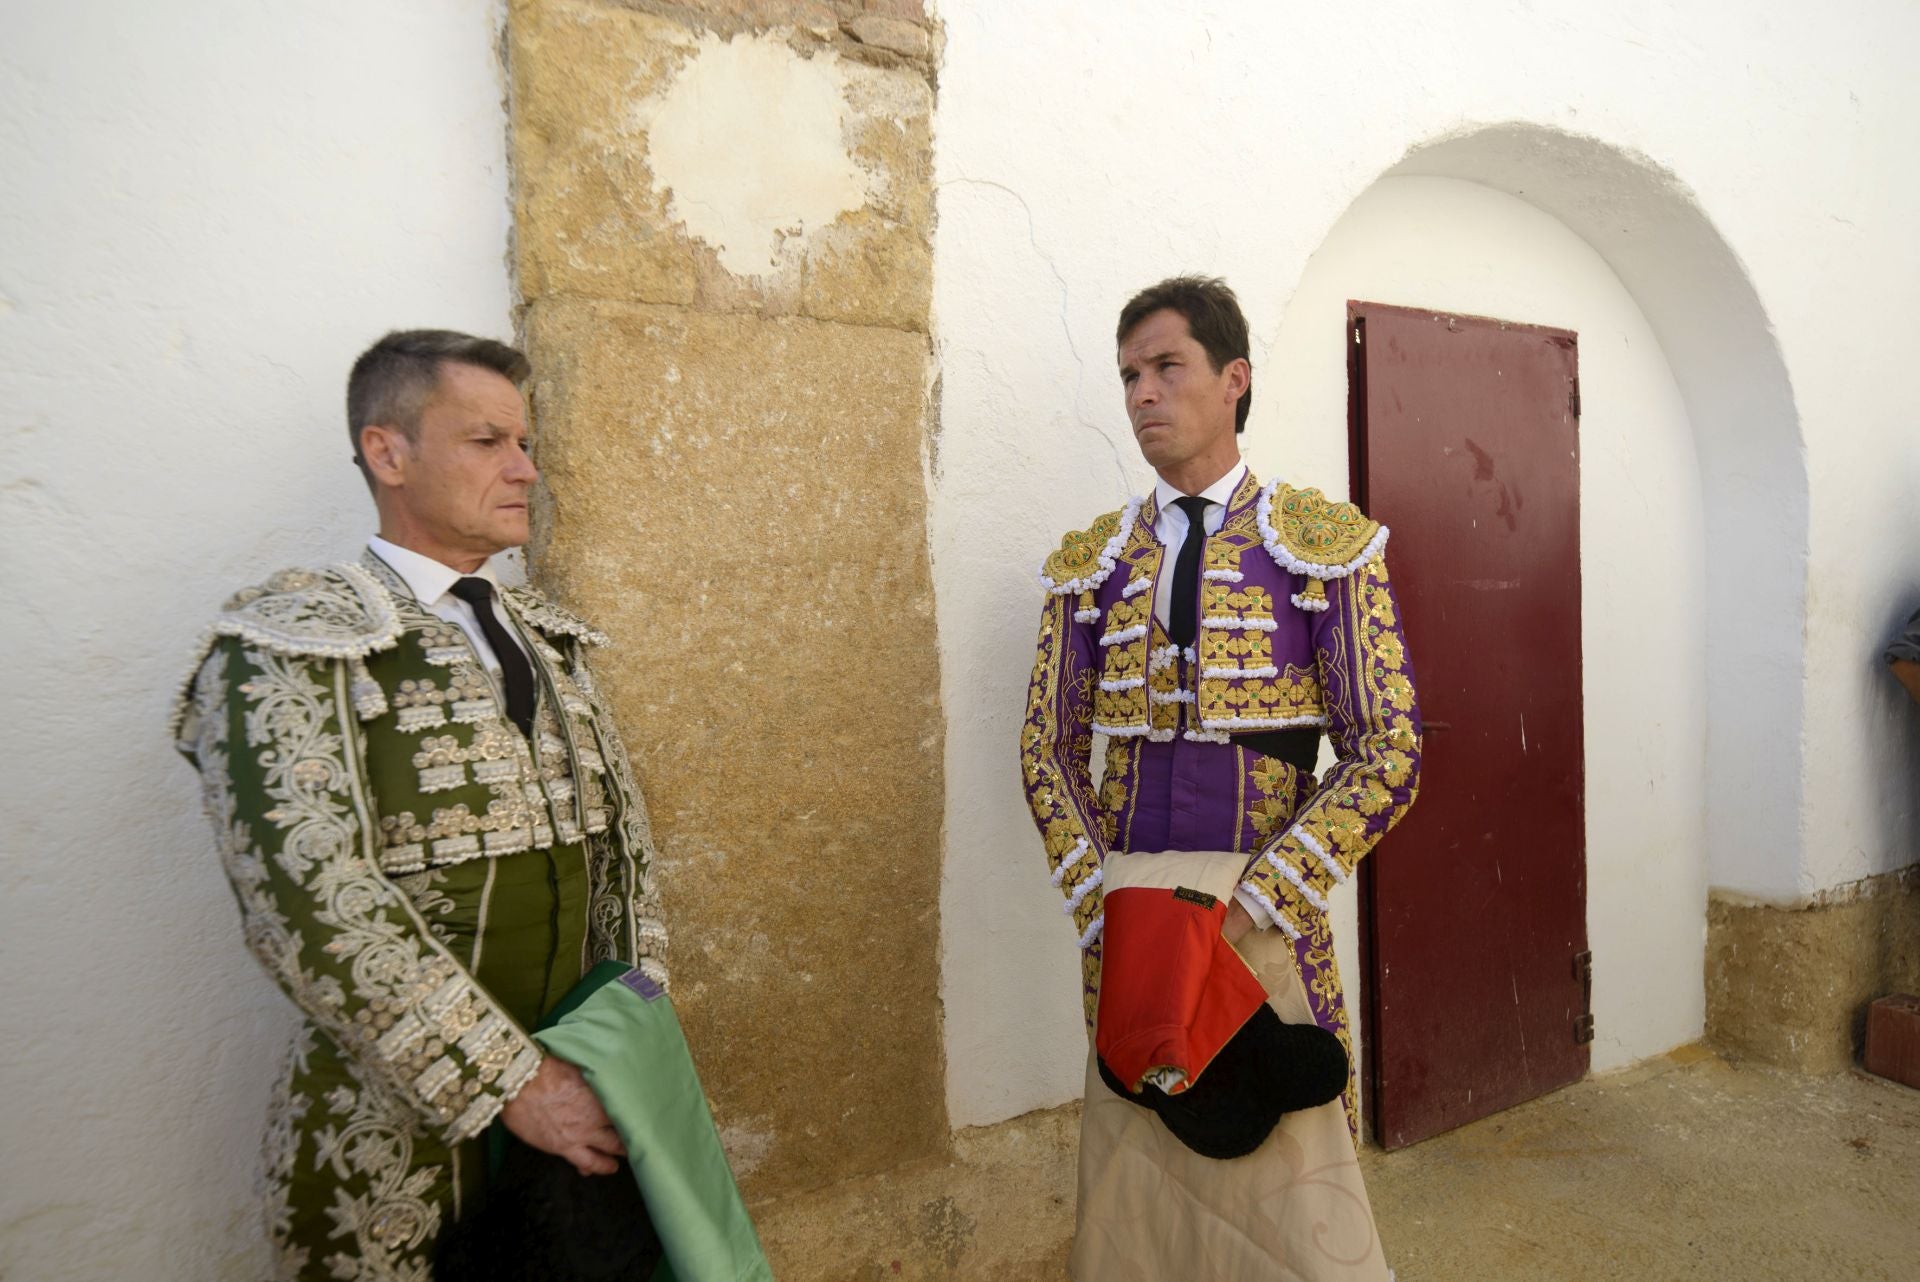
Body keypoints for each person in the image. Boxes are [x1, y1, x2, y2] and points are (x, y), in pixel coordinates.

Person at [172, 330, 669, 1279]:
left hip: (579, 1119)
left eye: (526, 445)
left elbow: (626, 871)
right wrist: (514, 1081)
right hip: (385, 1139)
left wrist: (628, 1058)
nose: (525, 469)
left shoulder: (552, 642)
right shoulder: (289, 641)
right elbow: (307, 902)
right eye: (488, 442)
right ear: (387, 452)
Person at [1019, 277, 1422, 1280]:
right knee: (1142, 1182)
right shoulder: (1092, 564)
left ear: (1233, 379)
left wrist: (1262, 898)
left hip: (1261, 921)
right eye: (1128, 376)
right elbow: (1045, 745)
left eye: (1167, 367)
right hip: (1135, 918)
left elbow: (1389, 746)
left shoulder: (1321, 548)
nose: (1143, 394)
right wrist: (1097, 896)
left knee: (1288, 1189)